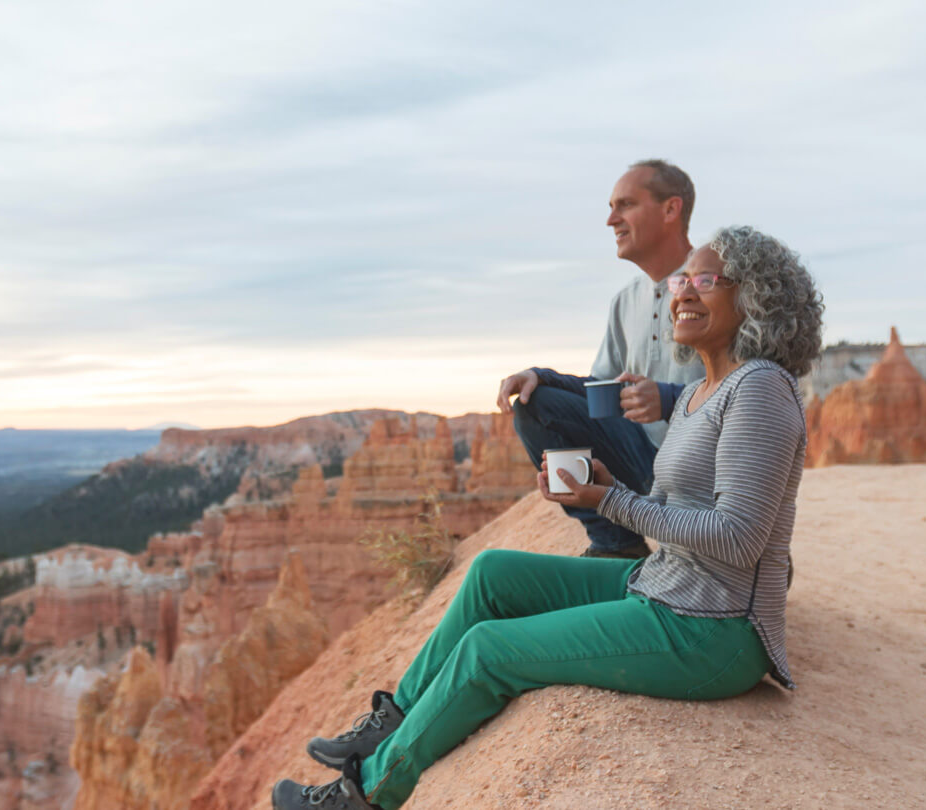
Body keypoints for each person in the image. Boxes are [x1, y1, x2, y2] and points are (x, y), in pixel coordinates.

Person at [269, 226, 824, 810]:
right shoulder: (696, 394)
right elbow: (677, 511)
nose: (684, 292)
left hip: (716, 631)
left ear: (755, 297)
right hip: (666, 587)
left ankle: (366, 794)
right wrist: (605, 488)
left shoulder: (760, 389)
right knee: (493, 574)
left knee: (490, 650)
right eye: (683, 279)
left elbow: (738, 538)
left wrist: (610, 504)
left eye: (705, 280)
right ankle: (396, 717)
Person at [497, 159, 705, 559]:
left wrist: (667, 397)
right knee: (535, 405)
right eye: (612, 207)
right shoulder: (626, 301)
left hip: (703, 473)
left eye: (625, 205)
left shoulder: (714, 289)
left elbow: (751, 392)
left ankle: (743, 553)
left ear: (670, 210)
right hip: (642, 462)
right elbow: (602, 395)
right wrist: (539, 376)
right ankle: (617, 546)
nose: (611, 220)